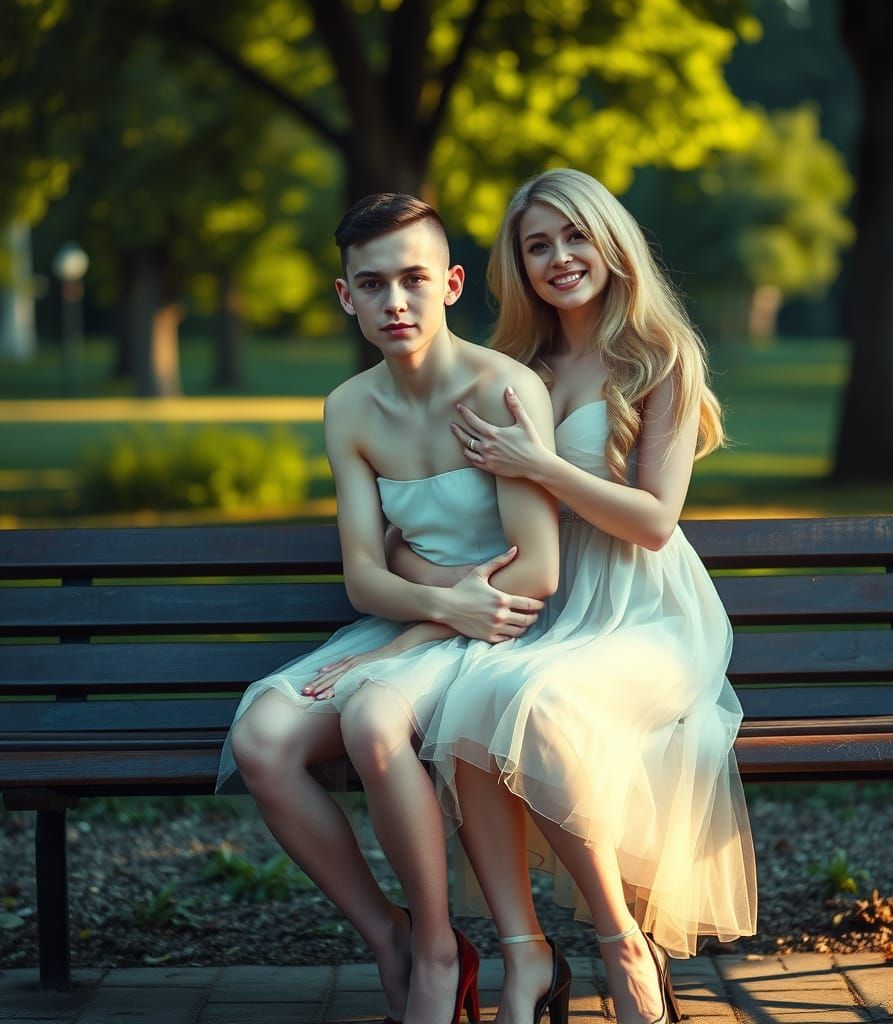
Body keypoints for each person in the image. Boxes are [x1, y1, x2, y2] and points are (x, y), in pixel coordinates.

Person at [390, 169, 757, 1024]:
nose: (560, 258)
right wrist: (410, 552)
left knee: (534, 698)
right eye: (537, 245)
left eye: (575, 237)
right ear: (518, 265)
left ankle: (618, 940)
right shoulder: (516, 369)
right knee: (475, 699)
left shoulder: (661, 356)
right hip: (556, 602)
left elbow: (657, 522)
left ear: (611, 242)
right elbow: (467, 501)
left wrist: (541, 466)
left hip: (649, 612)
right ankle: (527, 954)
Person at [216, 193, 561, 1024]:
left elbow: (540, 569)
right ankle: (391, 936)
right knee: (259, 738)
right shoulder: (350, 408)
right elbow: (363, 576)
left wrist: (426, 626)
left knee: (373, 721)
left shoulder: (504, 389)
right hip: (423, 614)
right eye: (371, 285)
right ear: (347, 297)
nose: (394, 302)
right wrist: (425, 616)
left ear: (450, 283)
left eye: (412, 279)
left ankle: (442, 949)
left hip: (504, 629)